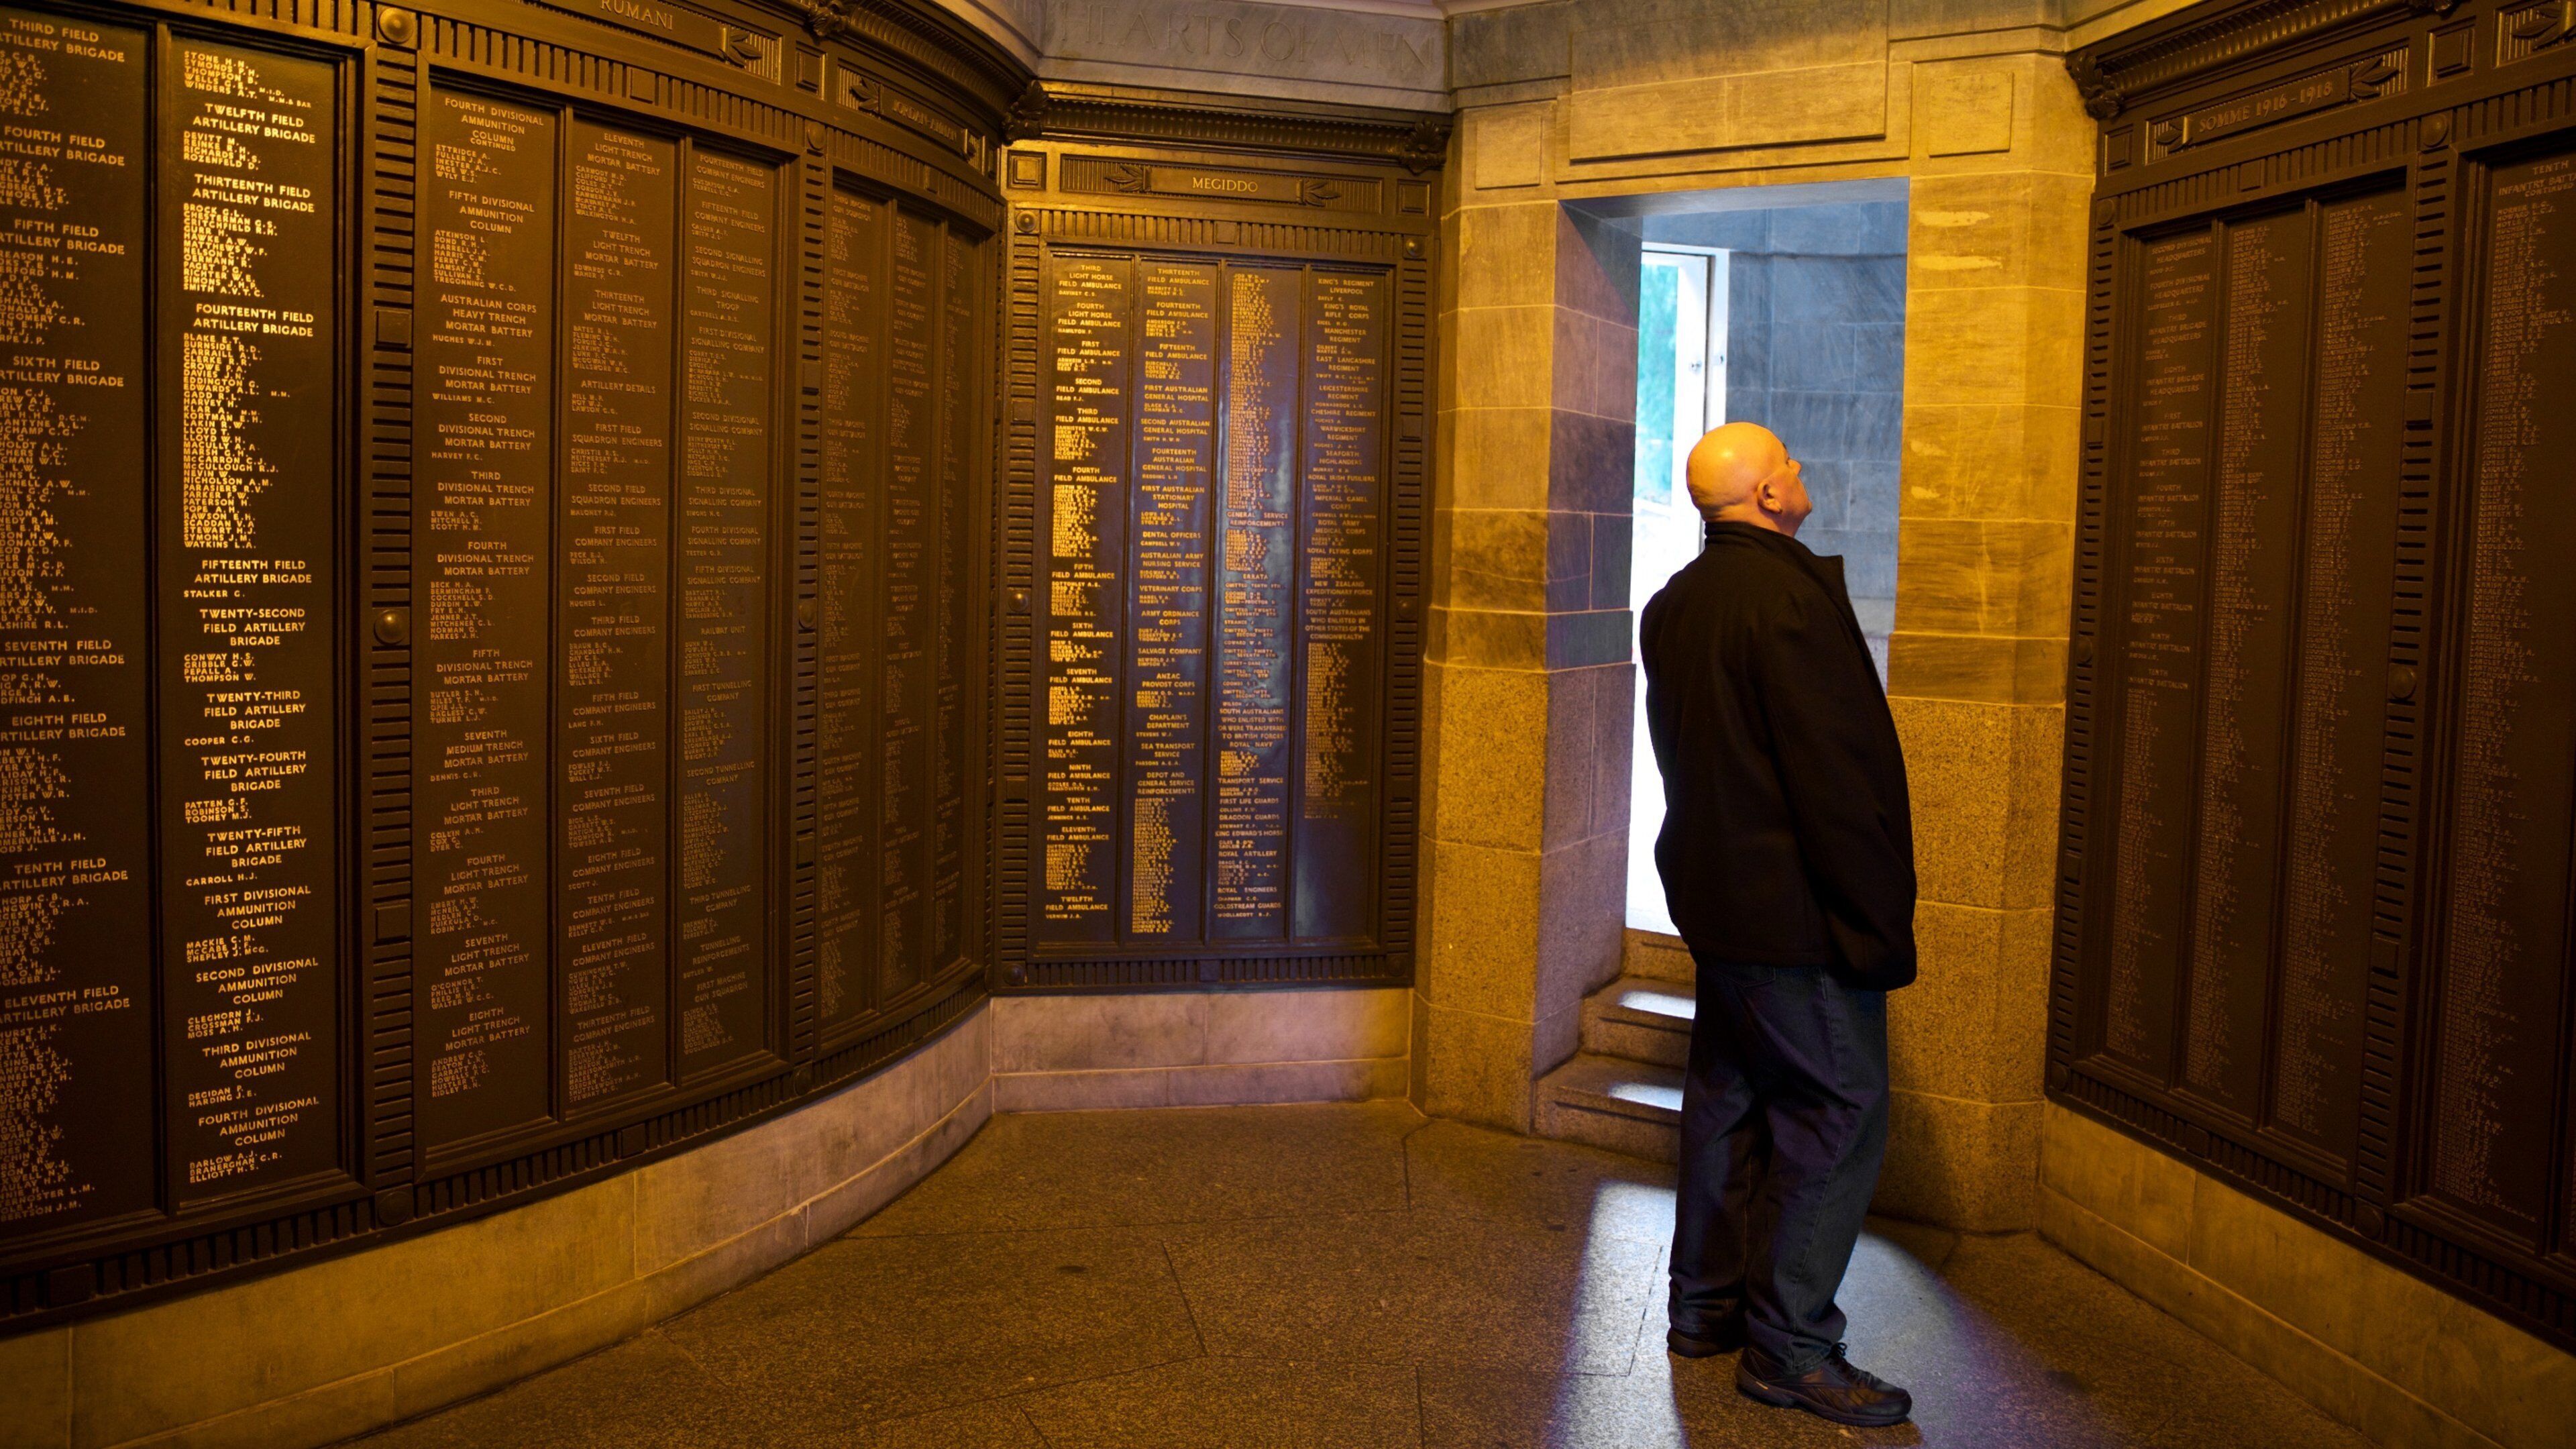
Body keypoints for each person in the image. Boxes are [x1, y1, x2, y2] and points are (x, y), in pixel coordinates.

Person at [1638, 421, 1917, 1428]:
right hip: (1795, 918)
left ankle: (1704, 1310)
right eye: (1790, 463)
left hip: (1717, 904)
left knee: (1728, 1096)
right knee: (1841, 1108)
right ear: (1765, 494)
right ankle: (1791, 1348)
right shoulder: (1790, 601)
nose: (1801, 471)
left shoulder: (1676, 602)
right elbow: (1835, 781)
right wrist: (1876, 920)